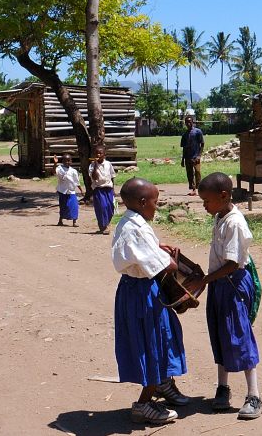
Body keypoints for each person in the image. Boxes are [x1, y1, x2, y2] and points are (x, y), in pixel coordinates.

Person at [112, 178, 190, 424]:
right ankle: (143, 403)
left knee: (163, 336)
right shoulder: (134, 228)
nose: (157, 207)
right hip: (142, 294)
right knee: (152, 342)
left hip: (140, 289)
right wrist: (172, 260)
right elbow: (166, 266)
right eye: (155, 203)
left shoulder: (131, 221)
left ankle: (163, 383)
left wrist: (156, 246)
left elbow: (142, 249)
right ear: (143, 202)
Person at [194, 171, 262, 420]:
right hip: (220, 284)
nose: (204, 206)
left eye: (207, 201)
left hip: (232, 284)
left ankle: (253, 395)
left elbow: (232, 264)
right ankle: (222, 388)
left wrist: (204, 279)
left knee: (239, 337)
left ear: (223, 196)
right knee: (221, 334)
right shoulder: (220, 216)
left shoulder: (234, 223)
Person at [89, 145, 116, 234]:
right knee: (102, 207)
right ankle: (103, 226)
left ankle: (106, 223)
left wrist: (113, 189)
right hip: (98, 189)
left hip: (108, 188)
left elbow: (112, 176)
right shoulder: (92, 166)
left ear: (104, 154)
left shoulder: (108, 164)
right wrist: (96, 164)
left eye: (100, 153)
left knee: (110, 207)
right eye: (96, 153)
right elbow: (94, 177)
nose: (98, 154)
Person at [53, 153, 83, 227]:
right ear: (62, 161)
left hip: (71, 191)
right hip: (62, 191)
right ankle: (60, 220)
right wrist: (55, 163)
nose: (67, 162)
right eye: (65, 161)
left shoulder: (73, 171)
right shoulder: (59, 168)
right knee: (63, 206)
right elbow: (54, 172)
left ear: (71, 161)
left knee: (74, 206)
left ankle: (74, 221)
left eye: (69, 160)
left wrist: (81, 190)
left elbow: (77, 182)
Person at [180, 115, 204, 196]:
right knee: (190, 174)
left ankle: (199, 188)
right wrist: (182, 159)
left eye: (190, 122)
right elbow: (184, 148)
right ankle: (193, 189)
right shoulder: (184, 135)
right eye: (186, 122)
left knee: (197, 172)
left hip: (195, 156)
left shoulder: (198, 132)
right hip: (187, 157)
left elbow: (202, 144)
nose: (188, 123)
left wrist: (199, 156)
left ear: (193, 122)